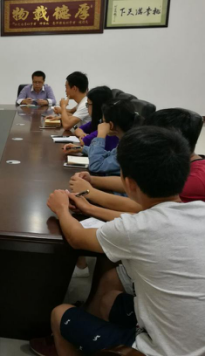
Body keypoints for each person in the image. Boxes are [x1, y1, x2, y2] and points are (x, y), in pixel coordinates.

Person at [42, 126, 205, 356]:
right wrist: (87, 206)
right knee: (108, 300)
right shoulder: (198, 210)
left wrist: (61, 208)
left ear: (128, 184)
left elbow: (76, 238)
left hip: (165, 350)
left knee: (59, 314)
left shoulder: (136, 228)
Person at [68, 108, 205, 221]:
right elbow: (137, 183)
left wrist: (90, 194)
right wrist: (92, 180)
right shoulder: (172, 163)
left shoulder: (190, 181)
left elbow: (141, 210)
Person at [87, 99, 142, 176]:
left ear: (111, 125)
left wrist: (101, 135)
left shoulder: (130, 147)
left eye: (103, 121)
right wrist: (82, 149)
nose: (101, 124)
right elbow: (110, 155)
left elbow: (95, 166)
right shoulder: (128, 140)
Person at [63, 86, 118, 154]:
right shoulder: (98, 120)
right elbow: (78, 129)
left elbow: (84, 142)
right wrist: (82, 134)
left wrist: (83, 138)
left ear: (97, 106)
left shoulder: (108, 126)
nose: (87, 107)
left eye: (88, 104)